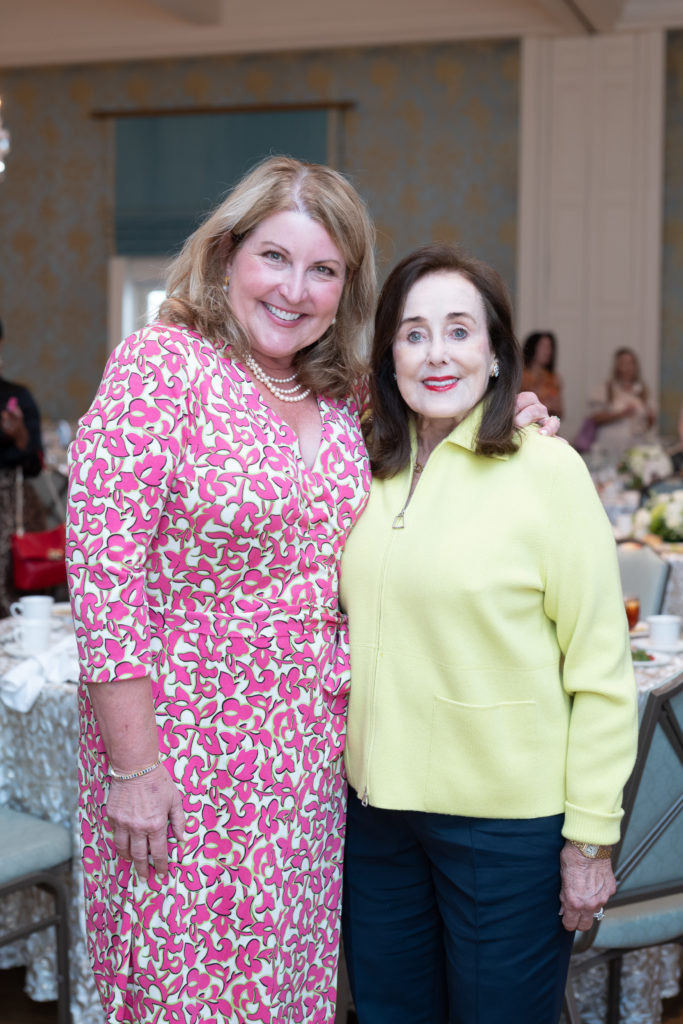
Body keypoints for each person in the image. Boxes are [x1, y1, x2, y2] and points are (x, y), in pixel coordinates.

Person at [66, 158, 558, 1024]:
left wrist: (507, 413)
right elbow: (105, 582)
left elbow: (432, 427)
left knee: (289, 985)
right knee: (180, 988)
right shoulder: (161, 367)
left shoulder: (341, 395)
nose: (294, 290)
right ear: (226, 257)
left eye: (322, 269)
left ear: (345, 288)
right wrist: (134, 768)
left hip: (309, 760)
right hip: (183, 753)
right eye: (275, 258)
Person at [339, 244, 638, 1024]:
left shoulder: (548, 472)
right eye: (412, 333)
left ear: (498, 353)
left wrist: (589, 842)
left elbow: (601, 671)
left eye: (458, 330)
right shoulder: (362, 469)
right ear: (388, 357)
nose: (436, 353)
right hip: (376, 819)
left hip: (506, 831)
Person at [0, 316, 45, 615]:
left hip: (10, 506)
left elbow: (34, 465)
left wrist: (20, 437)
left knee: (14, 596)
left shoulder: (16, 397)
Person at [588, 346, 656, 458]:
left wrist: (650, 419)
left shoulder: (643, 390)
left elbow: (648, 425)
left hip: (636, 446)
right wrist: (621, 414)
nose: (628, 367)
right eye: (624, 363)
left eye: (631, 363)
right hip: (610, 445)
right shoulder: (607, 388)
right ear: (617, 366)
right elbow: (595, 418)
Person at [522, 330, 563, 418]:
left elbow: (560, 411)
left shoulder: (554, 378)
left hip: (547, 426)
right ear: (533, 347)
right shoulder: (520, 377)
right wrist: (547, 405)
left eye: (550, 347)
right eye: (543, 346)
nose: (548, 351)